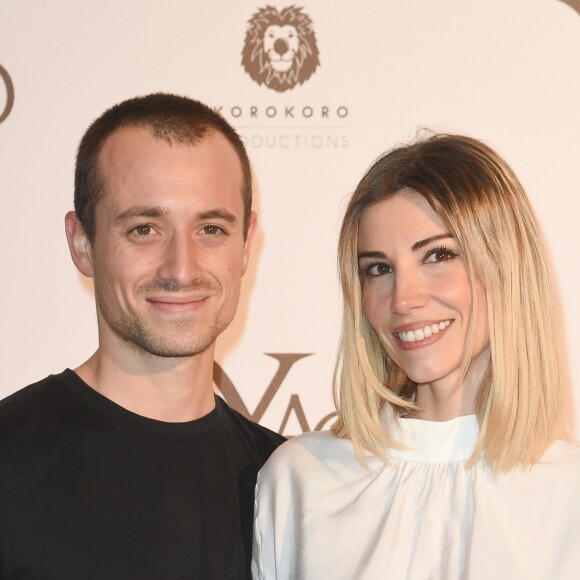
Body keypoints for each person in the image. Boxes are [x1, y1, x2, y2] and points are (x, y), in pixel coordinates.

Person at [252, 134, 580, 579]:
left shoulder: (568, 495)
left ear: (506, 265)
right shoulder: (302, 483)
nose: (403, 298)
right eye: (378, 269)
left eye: (438, 255)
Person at [0, 93, 284, 579]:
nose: (181, 268)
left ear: (245, 245)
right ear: (82, 243)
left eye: (211, 228)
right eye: (144, 229)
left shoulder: (285, 482)